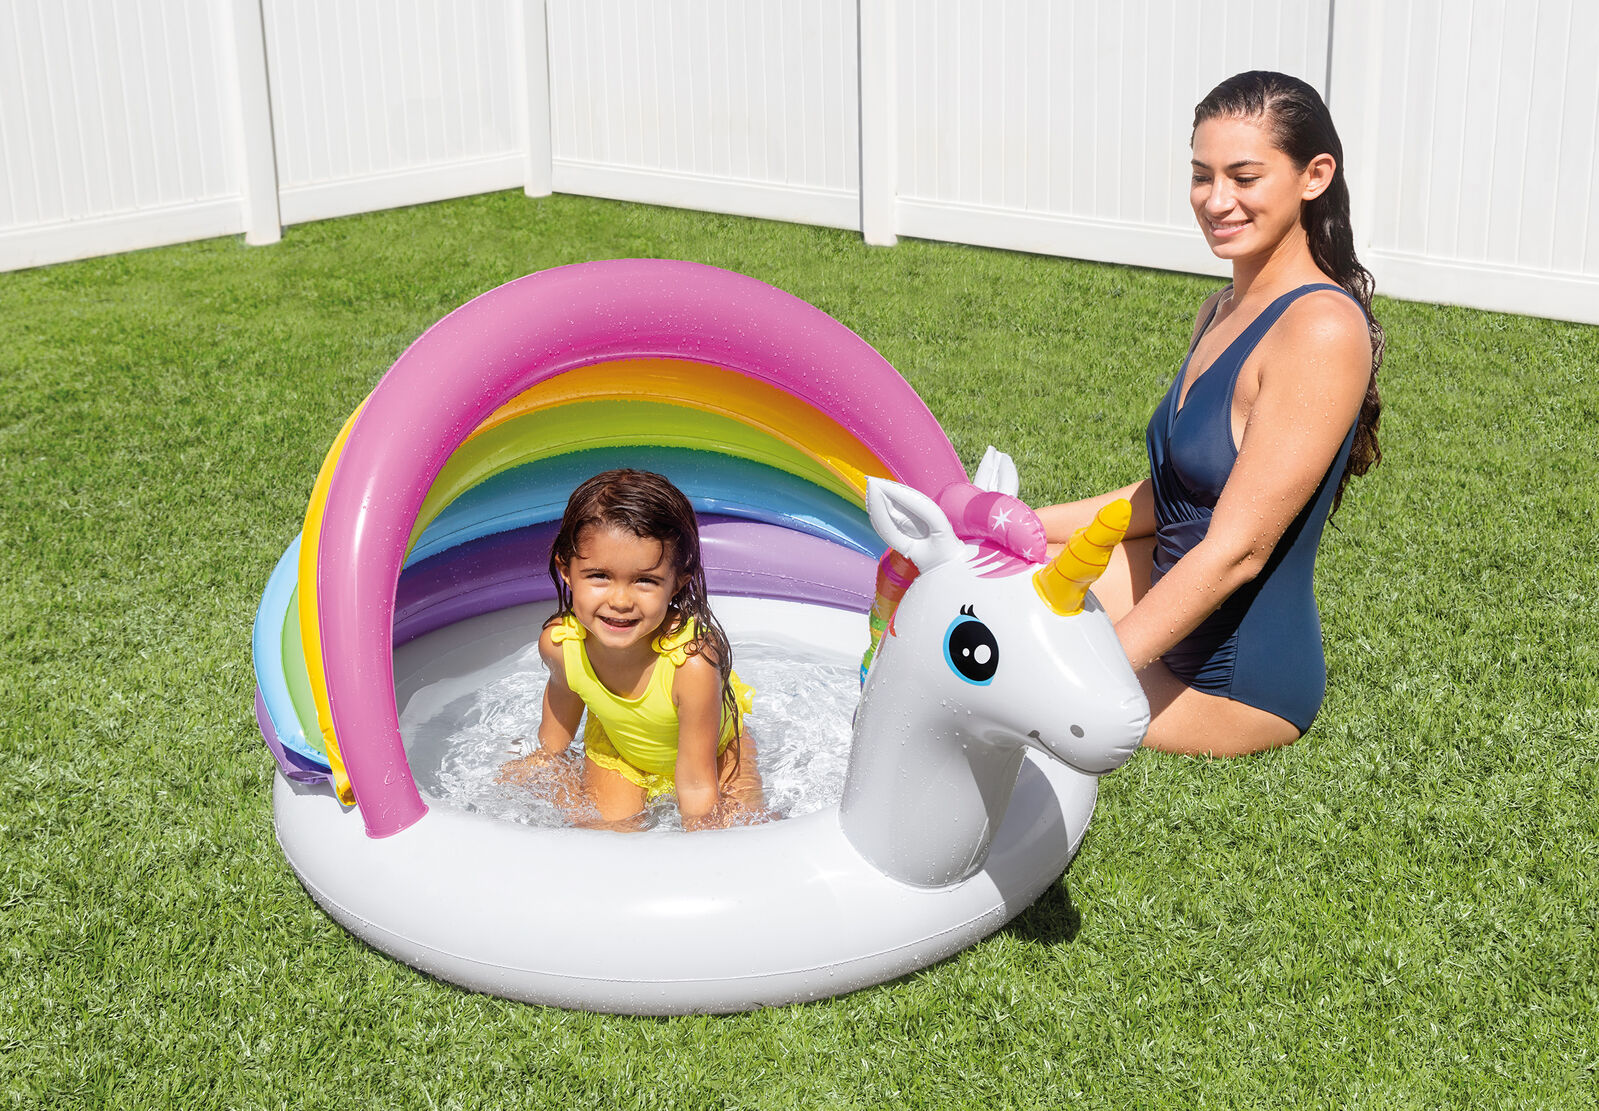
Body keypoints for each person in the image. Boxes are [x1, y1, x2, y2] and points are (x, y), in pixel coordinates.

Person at [1038, 71, 1385, 757]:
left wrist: (1093, 669)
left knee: (990, 688)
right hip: (1165, 601)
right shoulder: (1220, 308)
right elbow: (1175, 496)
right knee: (991, 580)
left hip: (1231, 683)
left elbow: (1237, 552)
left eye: (1244, 177)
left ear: (1314, 176)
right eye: (1202, 175)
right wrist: (1024, 523)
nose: (1215, 200)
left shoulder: (1319, 328)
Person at [498, 469, 768, 829]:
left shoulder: (691, 665)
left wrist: (700, 835)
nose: (621, 601)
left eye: (645, 580)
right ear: (566, 570)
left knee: (736, 830)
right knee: (605, 836)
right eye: (599, 576)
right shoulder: (561, 644)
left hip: (715, 756)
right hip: (619, 752)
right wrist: (548, 756)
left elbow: (696, 785)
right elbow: (565, 692)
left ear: (678, 582)